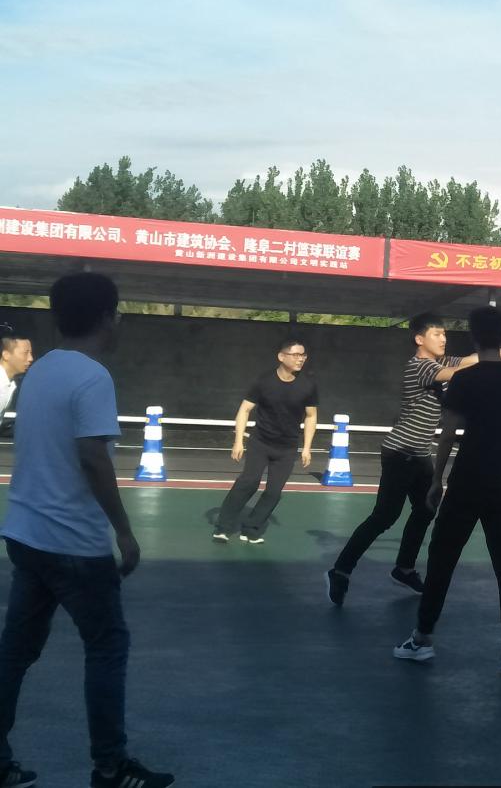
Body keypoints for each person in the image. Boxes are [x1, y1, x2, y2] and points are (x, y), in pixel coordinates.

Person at [0, 273, 174, 788]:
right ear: (106, 317)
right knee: (106, 646)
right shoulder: (93, 377)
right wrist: (125, 531)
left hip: (26, 534)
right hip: (72, 542)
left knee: (16, 651)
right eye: (117, 313)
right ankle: (110, 765)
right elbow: (93, 457)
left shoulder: (41, 371)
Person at [326, 314, 501, 603]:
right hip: (400, 452)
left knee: (426, 509)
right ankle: (341, 570)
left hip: (419, 455)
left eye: (445, 334)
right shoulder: (419, 367)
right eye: (437, 334)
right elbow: (459, 371)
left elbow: (470, 359)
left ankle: (404, 568)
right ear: (420, 339)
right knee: (385, 516)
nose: (443, 339)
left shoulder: (440, 362)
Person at [393, 306, 501, 673]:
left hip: (466, 481)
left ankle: (422, 639)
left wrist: (436, 479)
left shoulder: (464, 380)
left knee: (442, 561)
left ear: (473, 336)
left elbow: (447, 434)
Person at [211, 338, 318, 544]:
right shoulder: (264, 382)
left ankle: (251, 529)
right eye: (296, 355)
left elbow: (311, 416)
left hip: (287, 448)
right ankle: (223, 526)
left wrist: (307, 448)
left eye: (303, 355)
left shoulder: (308, 385)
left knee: (274, 492)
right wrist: (238, 441)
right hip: (260, 443)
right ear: (281, 356)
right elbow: (245, 410)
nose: (301, 359)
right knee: (249, 482)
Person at [0, 326, 33, 437]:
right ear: (6, 355)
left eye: (30, 353)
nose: (30, 358)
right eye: (25, 353)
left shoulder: (8, 384)